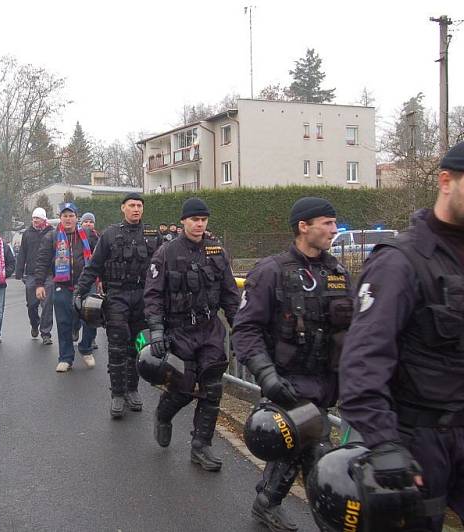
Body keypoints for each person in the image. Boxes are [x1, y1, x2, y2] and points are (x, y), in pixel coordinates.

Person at [338, 141, 464, 531]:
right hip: (419, 440)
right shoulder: (400, 261)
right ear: (446, 181)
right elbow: (363, 360)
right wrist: (383, 442)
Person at [232, 197, 353, 531]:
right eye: (327, 223)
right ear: (304, 226)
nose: (334, 229)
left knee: (293, 451)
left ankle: (265, 502)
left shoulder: (338, 273)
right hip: (287, 384)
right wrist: (266, 375)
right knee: (318, 460)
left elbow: (355, 329)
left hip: (327, 384)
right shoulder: (271, 271)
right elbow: (245, 329)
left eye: (334, 223)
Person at [144, 198, 240, 467]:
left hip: (209, 329)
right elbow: (153, 294)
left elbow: (230, 295)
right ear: (184, 221)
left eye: (203, 219)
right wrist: (157, 331)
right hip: (179, 330)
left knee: (212, 388)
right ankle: (163, 415)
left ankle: (201, 446)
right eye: (194, 219)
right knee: (184, 389)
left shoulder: (216, 251)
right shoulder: (166, 252)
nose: (199, 224)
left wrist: (241, 330)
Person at [77, 194, 158, 418]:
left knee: (139, 346)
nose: (136, 209)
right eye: (131, 205)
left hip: (143, 298)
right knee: (117, 346)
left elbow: (166, 265)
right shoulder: (110, 235)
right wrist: (80, 291)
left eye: (139, 206)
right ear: (123, 208)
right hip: (117, 297)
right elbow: (93, 266)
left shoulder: (152, 235)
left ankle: (133, 390)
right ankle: (118, 394)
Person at [34, 202, 98, 372]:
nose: (68, 219)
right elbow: (42, 262)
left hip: (86, 285)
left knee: (92, 318)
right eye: (65, 216)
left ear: (77, 218)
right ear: (60, 218)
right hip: (62, 285)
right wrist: (39, 284)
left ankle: (85, 348)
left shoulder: (88, 234)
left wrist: (102, 281)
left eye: (71, 216)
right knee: (63, 323)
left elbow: (100, 258)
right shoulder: (51, 237)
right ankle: (66, 358)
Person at [15, 207, 55, 345]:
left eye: (37, 218)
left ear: (43, 219)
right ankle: (34, 324)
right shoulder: (27, 233)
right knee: (32, 305)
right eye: (33, 218)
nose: (34, 220)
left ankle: (46, 333)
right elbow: (22, 253)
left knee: (47, 304)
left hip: (49, 274)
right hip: (31, 274)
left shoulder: (52, 233)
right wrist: (19, 271)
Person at [74, 212, 100, 354]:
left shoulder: (98, 238)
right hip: (77, 279)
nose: (88, 224)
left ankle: (91, 338)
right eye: (86, 222)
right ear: (81, 223)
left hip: (92, 280)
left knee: (92, 310)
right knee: (75, 308)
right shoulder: (75, 237)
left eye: (91, 222)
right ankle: (75, 328)